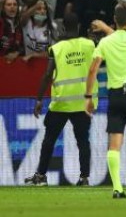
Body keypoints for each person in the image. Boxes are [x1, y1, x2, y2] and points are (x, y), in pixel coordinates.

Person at [85, 3, 126, 199]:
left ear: (114, 19)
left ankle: (117, 189)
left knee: (114, 144)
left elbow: (92, 70)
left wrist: (88, 97)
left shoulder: (105, 42)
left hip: (115, 96)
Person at [25, 13, 95, 187]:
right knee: (83, 141)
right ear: (78, 26)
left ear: (63, 28)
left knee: (49, 140)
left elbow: (48, 74)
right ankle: (84, 178)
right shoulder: (89, 44)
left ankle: (41, 176)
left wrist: (39, 99)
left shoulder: (57, 48)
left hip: (61, 102)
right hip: (82, 102)